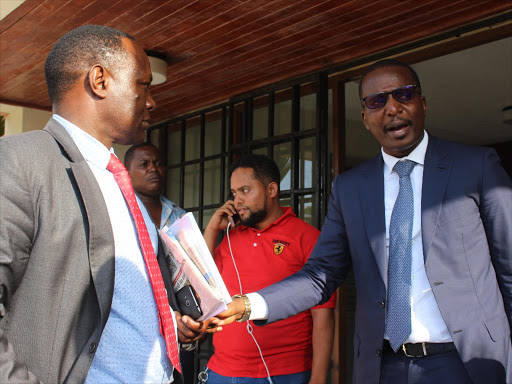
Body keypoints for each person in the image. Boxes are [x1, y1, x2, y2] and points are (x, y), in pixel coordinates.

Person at [217, 59, 512, 384]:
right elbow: (320, 275)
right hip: (383, 366)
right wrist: (247, 305)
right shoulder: (350, 187)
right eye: (377, 101)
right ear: (365, 118)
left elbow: (509, 269)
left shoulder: (476, 166)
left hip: (467, 362)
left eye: (404, 95)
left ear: (423, 104)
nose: (392, 108)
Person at [0, 25, 213, 384]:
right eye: (143, 85)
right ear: (99, 80)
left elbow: (116, 301)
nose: (151, 101)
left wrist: (166, 324)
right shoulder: (20, 162)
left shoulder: (121, 183)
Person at [202, 154, 336, 384]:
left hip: (284, 373)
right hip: (221, 371)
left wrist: (319, 377)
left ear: (271, 190)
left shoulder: (307, 237)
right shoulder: (231, 238)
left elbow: (323, 317)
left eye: (245, 190)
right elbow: (202, 280)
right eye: (234, 193)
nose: (237, 201)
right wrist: (213, 228)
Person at [125, 141, 198, 382]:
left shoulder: (178, 215)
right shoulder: (120, 213)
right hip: (136, 326)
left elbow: (195, 269)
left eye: (158, 163)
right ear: (127, 173)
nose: (153, 169)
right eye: (144, 164)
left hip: (181, 326)